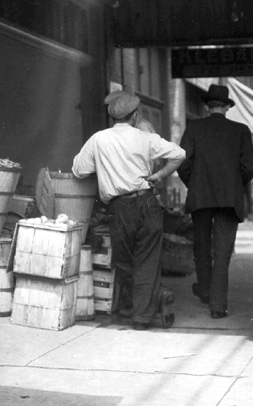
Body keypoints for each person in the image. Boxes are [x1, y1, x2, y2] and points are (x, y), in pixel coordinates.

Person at [72, 91, 185, 330]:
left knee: (124, 261)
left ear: (113, 117)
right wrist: (158, 175)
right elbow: (179, 154)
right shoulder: (144, 138)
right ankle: (142, 316)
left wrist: (104, 167)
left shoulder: (98, 139)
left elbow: (79, 170)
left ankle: (130, 309)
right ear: (134, 116)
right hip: (146, 202)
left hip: (119, 207)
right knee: (147, 260)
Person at [178, 84, 253, 319]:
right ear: (227, 107)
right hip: (229, 199)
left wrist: (194, 183)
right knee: (222, 252)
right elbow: (248, 167)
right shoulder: (241, 131)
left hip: (200, 196)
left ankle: (204, 291)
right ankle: (218, 305)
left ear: (206, 106)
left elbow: (182, 161)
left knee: (201, 246)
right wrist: (234, 183)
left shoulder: (193, 127)